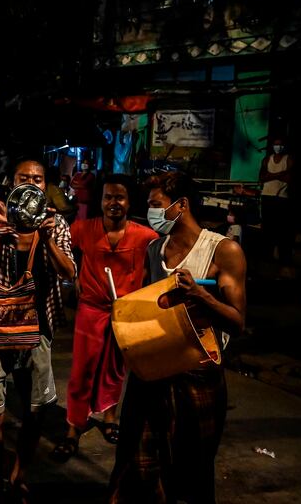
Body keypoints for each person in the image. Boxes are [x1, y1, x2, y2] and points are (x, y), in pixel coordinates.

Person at [109, 171, 246, 504]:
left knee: (190, 470)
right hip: (153, 370)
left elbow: (237, 322)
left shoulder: (222, 250)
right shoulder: (155, 249)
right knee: (137, 463)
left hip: (196, 373)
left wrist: (200, 295)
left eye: (157, 204)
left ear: (181, 205)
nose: (152, 212)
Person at [0, 159, 76, 503]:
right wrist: (0, 235)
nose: (31, 183)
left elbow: (69, 272)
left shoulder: (55, 224)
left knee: (35, 411)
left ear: (45, 185)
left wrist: (46, 240)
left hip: (39, 328)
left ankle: (19, 475)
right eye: (24, 178)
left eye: (38, 179)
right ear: (11, 183)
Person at [51, 174, 157, 462]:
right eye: (108, 197)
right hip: (91, 310)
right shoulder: (84, 229)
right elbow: (62, 249)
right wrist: (74, 275)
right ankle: (74, 427)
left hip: (125, 312)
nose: (113, 203)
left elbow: (156, 268)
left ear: (129, 202)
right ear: (100, 200)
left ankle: (110, 418)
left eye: (119, 197)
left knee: (115, 368)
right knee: (82, 370)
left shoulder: (146, 236)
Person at [259, 137, 294, 264]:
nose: (278, 147)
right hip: (267, 196)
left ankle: (280, 256)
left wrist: (271, 176)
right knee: (267, 227)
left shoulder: (288, 159)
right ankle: (266, 255)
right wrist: (280, 174)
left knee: (281, 228)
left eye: (280, 144)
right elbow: (262, 177)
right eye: (276, 144)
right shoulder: (267, 159)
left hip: (281, 198)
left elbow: (289, 179)